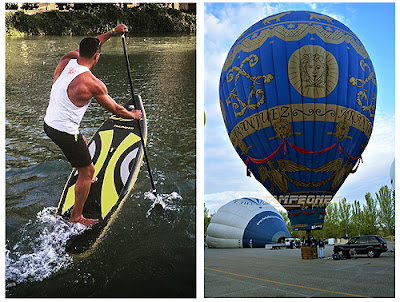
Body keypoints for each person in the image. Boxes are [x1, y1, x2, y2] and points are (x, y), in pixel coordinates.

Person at [44, 24, 142, 227]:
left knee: (84, 141)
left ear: (79, 51)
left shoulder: (66, 60)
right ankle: (76, 218)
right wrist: (133, 115)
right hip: (64, 131)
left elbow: (94, 44)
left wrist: (113, 33)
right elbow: (116, 109)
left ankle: (83, 171)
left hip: (49, 124)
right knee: (88, 171)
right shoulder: (93, 83)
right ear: (97, 57)